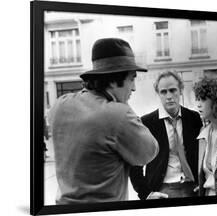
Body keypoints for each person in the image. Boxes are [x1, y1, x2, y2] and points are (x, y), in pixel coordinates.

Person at [48, 38, 159, 204]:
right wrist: (124, 106)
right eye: (131, 79)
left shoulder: (60, 104)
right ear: (114, 80)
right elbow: (149, 151)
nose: (134, 88)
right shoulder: (118, 114)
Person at [130, 71, 202, 199]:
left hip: (193, 188)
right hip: (162, 190)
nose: (169, 96)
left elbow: (203, 154)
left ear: (180, 90)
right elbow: (135, 164)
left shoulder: (193, 118)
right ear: (158, 94)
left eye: (173, 90)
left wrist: (202, 182)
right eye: (163, 92)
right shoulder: (147, 122)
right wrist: (146, 193)